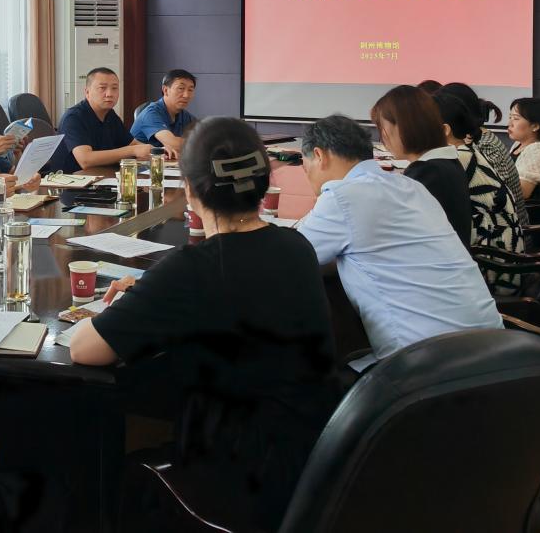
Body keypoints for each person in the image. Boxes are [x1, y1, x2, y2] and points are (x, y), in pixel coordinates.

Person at [69, 118, 338, 529]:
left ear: (190, 192)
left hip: (242, 474)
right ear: (264, 182)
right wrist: (151, 292)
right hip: (312, 459)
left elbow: (84, 349)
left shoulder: (194, 269)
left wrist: (135, 302)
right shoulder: (296, 245)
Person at [295, 114, 502, 369]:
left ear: (319, 155)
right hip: (495, 349)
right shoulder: (412, 187)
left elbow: (292, 257)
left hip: (427, 364)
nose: (307, 175)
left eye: (305, 166)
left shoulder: (342, 196)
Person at [371, 85, 473, 247]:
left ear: (405, 127)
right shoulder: (444, 163)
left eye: (383, 129)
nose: (383, 138)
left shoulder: (428, 173)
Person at [434, 92, 524, 253]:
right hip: (493, 242)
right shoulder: (464, 150)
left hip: (492, 253)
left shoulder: (457, 158)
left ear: (445, 129)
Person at [54, 68, 151, 172]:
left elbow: (133, 144)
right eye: (102, 88)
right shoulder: (73, 118)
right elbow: (86, 160)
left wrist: (156, 152)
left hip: (103, 175)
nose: (109, 94)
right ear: (87, 92)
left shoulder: (110, 115)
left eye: (114, 88)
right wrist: (132, 151)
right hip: (71, 178)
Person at [130, 69, 198, 155]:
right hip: (138, 162)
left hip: (165, 161)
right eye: (181, 88)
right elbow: (174, 144)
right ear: (165, 90)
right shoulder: (150, 113)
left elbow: (203, 136)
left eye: (190, 90)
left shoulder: (185, 116)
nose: (186, 95)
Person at [509, 97, 540, 199]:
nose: (510, 124)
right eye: (510, 117)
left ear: (535, 126)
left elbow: (523, 192)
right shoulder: (519, 143)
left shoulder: (537, 151)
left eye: (516, 119)